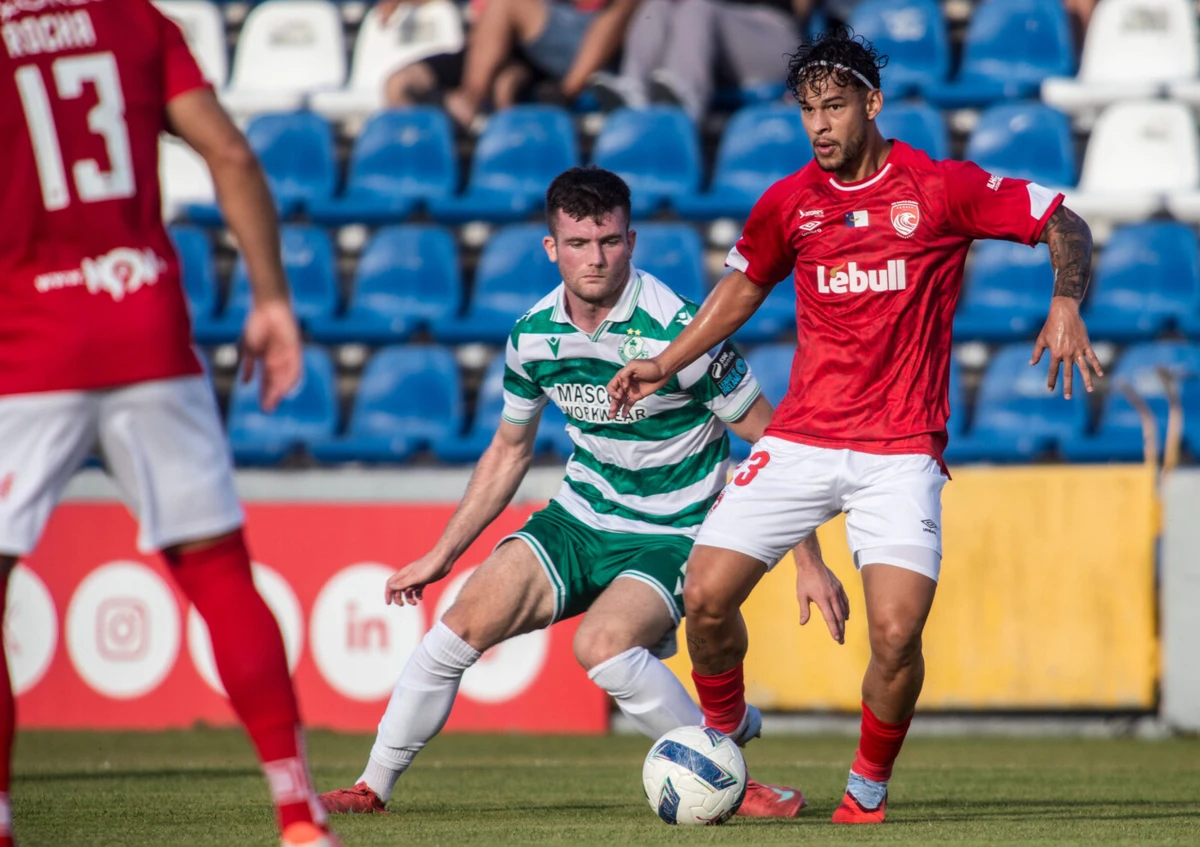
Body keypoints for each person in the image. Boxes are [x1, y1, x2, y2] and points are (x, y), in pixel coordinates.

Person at [607, 28, 1101, 824]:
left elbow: (1062, 222)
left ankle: (866, 785)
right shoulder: (789, 203)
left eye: (834, 107)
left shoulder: (940, 188)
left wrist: (1067, 299)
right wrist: (666, 362)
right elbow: (742, 287)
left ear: (872, 103)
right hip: (803, 437)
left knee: (898, 633)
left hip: (901, 449)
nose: (820, 126)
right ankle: (726, 732)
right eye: (808, 111)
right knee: (702, 596)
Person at [318, 166, 849, 819]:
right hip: (580, 516)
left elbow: (772, 438)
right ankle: (370, 787)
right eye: (577, 243)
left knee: (599, 645)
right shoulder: (533, 336)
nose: (594, 258)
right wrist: (441, 553)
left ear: (632, 240)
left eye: (608, 241)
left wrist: (809, 559)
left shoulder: (682, 332)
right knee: (454, 629)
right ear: (552, 248)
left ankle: (734, 784)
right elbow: (509, 450)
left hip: (677, 528)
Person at [0, 4, 339, 846]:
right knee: (219, 571)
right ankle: (298, 814)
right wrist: (270, 299)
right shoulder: (134, 21)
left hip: (24, 341)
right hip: (144, 319)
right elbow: (227, 150)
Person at [379, 0, 640, 128]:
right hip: (488, 47)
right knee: (398, 85)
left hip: (550, 47)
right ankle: (425, 182)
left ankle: (469, 100)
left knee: (506, 83)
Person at [587, 0, 806, 120]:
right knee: (655, 5)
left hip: (773, 37)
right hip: (714, 47)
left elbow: (802, 10)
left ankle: (688, 99)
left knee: (698, 6)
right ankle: (634, 88)